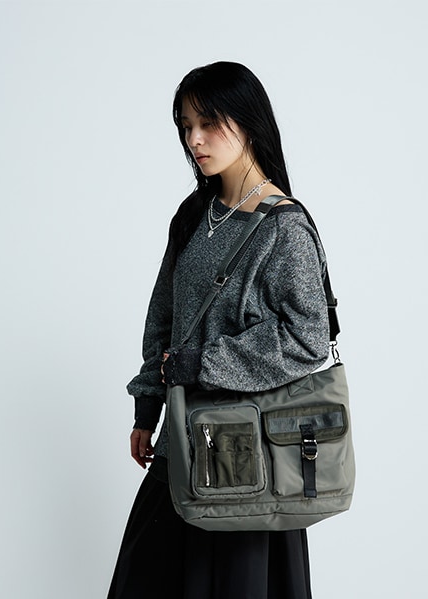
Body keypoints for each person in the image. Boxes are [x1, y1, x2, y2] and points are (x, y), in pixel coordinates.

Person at [107, 61, 330, 599]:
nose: (194, 139)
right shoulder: (194, 214)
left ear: (248, 122)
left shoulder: (284, 227)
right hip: (180, 442)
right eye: (186, 126)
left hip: (246, 457)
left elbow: (308, 337)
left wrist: (204, 363)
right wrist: (147, 404)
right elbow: (164, 317)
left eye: (208, 123)